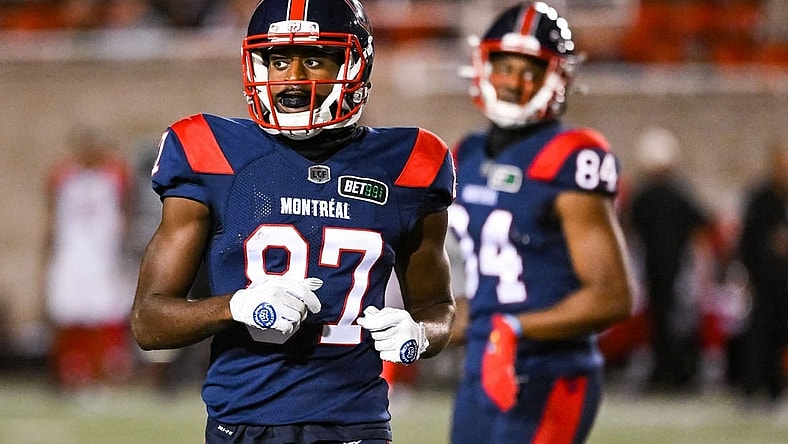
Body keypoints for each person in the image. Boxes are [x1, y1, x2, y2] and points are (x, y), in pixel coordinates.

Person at [130, 1, 457, 442]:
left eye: (315, 59)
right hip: (242, 422)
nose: (292, 77)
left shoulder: (410, 163)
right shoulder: (210, 151)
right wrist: (236, 306)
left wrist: (420, 333)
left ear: (354, 63)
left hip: (356, 422)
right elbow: (148, 322)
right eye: (279, 59)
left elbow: (438, 306)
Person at [447, 3, 634, 443]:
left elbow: (613, 296)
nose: (514, 81)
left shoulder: (571, 156)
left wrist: (514, 328)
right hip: (481, 364)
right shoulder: (467, 154)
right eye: (504, 66)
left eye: (530, 69)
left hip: (549, 370)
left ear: (558, 77)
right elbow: (483, 289)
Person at [42, 127, 135, 392]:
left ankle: (103, 373)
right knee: (67, 311)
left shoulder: (115, 174)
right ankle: (68, 373)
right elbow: (52, 215)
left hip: (103, 255)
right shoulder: (62, 175)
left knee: (105, 311)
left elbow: (125, 209)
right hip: (71, 253)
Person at [629, 127, 711, 392]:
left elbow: (628, 228)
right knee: (678, 322)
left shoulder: (643, 196)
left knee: (662, 322)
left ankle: (665, 373)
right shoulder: (676, 193)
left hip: (654, 269)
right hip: (676, 268)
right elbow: (704, 222)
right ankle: (681, 373)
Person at [736, 138, 788, 407]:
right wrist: (749, 274)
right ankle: (752, 387)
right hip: (766, 280)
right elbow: (748, 240)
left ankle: (776, 388)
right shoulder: (762, 198)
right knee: (760, 333)